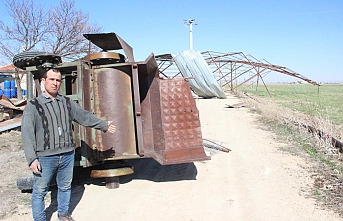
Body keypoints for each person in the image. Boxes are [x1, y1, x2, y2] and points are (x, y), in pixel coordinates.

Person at [21, 68, 116, 221]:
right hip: (45, 157)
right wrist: (32, 159)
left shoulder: (66, 102)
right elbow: (26, 133)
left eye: (58, 80)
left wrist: (103, 124)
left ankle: (63, 214)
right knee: (40, 191)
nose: (55, 83)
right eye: (51, 80)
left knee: (65, 187)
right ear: (43, 81)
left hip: (67, 154)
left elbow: (84, 117)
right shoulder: (33, 106)